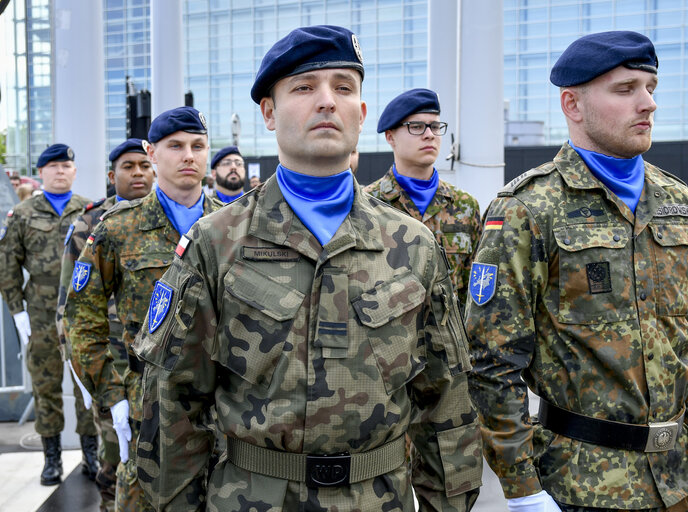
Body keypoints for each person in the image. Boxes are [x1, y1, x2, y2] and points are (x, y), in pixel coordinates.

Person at [134, 25, 483, 511]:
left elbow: (445, 397)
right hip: (252, 497)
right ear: (269, 112)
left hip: (379, 498)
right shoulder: (216, 242)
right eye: (304, 87)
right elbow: (173, 403)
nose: (326, 101)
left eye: (343, 87)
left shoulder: (412, 244)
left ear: (360, 114)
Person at [465, 31, 688, 512]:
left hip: (678, 478)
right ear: (573, 105)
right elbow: (491, 362)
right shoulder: (528, 209)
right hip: (579, 487)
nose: (647, 103)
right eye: (625, 90)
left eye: (651, 87)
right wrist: (522, 489)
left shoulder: (680, 206)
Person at [65, 108, 221, 511]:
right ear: (153, 153)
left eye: (198, 146)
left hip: (223, 407)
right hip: (146, 408)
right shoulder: (117, 228)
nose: (189, 155)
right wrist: (111, 395)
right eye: (176, 146)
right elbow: (80, 317)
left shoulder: (232, 223)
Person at [57, 138, 155, 511]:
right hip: (110, 365)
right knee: (115, 458)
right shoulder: (91, 224)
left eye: (145, 166)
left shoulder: (169, 217)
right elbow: (69, 305)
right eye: (129, 167)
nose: (138, 174)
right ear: (113, 176)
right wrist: (81, 371)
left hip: (156, 364)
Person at [0, 143, 97, 486]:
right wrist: (17, 312)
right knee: (46, 387)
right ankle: (52, 458)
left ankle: (92, 455)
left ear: (73, 171)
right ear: (41, 172)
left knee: (88, 385)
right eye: (53, 166)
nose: (60, 171)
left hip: (82, 310)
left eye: (66, 166)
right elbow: (7, 265)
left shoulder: (89, 210)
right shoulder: (23, 214)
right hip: (40, 313)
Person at [365, 88, 482, 308]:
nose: (429, 134)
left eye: (435, 126)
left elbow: (475, 290)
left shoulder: (465, 206)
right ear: (390, 136)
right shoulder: (367, 204)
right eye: (417, 127)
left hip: (450, 338)